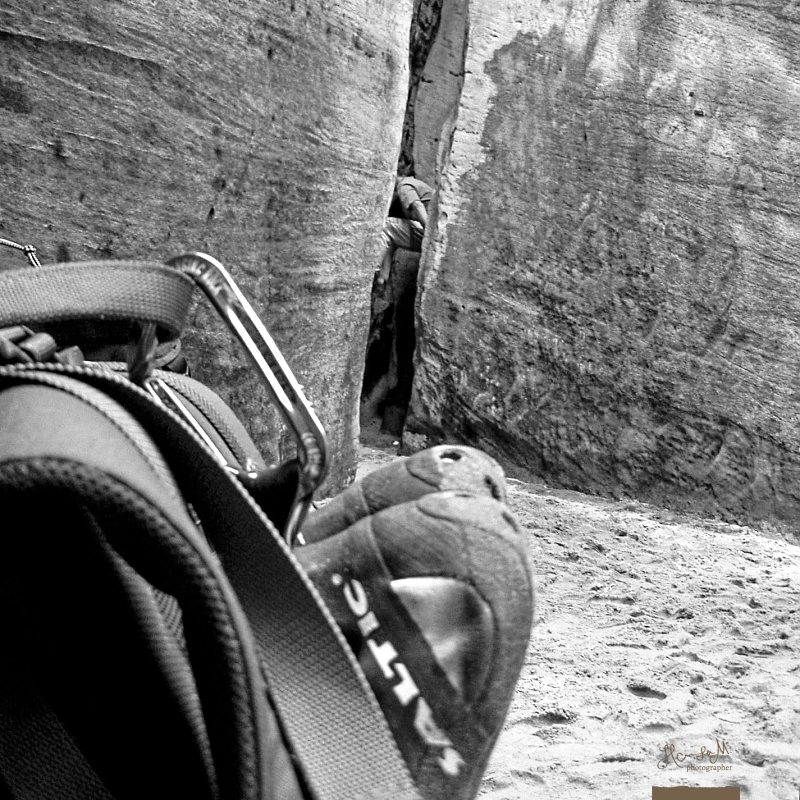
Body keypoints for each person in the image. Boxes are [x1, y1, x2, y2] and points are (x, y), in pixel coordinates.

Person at [375, 174, 434, 287]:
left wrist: (431, 234)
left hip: (432, 232)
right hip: (429, 233)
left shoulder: (404, 184)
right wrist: (382, 277)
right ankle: (381, 279)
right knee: (391, 233)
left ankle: (369, 269)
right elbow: (392, 239)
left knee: (386, 225)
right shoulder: (415, 185)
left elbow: (417, 206)